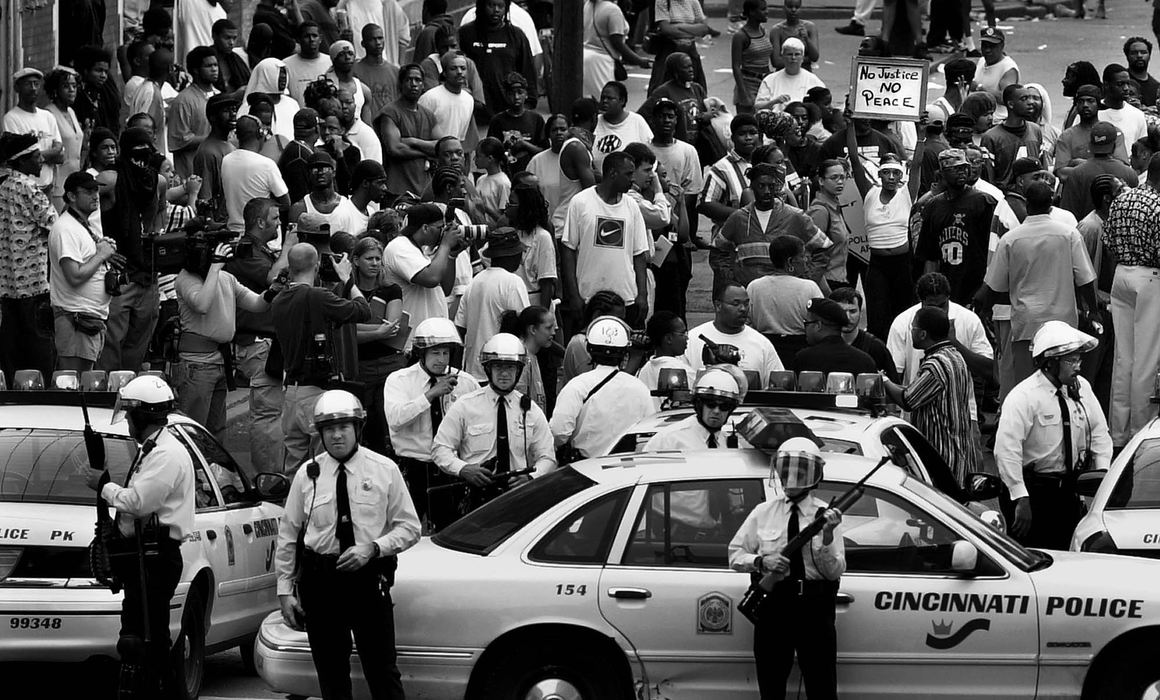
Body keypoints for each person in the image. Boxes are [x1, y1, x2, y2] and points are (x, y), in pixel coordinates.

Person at [274, 390, 420, 700]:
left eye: (344, 428)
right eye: (329, 429)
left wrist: (374, 548)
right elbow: (288, 534)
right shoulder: (308, 474)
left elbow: (410, 528)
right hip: (321, 582)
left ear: (358, 429)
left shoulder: (384, 470)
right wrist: (285, 591)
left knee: (382, 671)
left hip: (367, 580)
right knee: (331, 675)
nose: (337, 436)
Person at [83, 376, 194, 699]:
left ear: (142, 417)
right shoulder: (153, 448)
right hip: (143, 555)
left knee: (147, 639)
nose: (128, 421)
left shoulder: (166, 454)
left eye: (130, 415)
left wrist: (103, 485)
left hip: (157, 557)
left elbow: (139, 502)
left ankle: (159, 692)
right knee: (137, 636)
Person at [728, 437, 844, 700]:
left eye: (800, 472)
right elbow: (734, 554)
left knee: (822, 685)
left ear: (814, 475)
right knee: (771, 684)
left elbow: (834, 572)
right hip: (775, 606)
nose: (791, 478)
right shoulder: (763, 512)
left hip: (814, 608)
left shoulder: (826, 515)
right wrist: (761, 562)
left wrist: (827, 537)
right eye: (786, 471)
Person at [994, 321, 1112, 549]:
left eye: (1079, 359)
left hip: (1068, 491)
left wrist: (1102, 476)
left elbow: (1099, 434)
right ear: (1049, 363)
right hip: (1035, 491)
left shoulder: (1082, 388)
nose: (1078, 366)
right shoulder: (1024, 397)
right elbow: (1007, 450)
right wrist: (1021, 497)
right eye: (1071, 360)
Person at [975, 181, 1098, 394]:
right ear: (1051, 205)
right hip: (1063, 323)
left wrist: (984, 309)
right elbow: (1085, 279)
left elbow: (994, 287)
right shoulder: (1069, 234)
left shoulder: (1010, 239)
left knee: (1029, 387)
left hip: (1027, 325)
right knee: (1063, 385)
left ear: (1027, 204)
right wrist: (1093, 310)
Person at [271, 243, 372, 471]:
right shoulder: (316, 297)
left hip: (291, 393)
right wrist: (347, 279)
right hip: (316, 393)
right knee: (326, 466)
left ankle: (293, 504)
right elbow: (363, 311)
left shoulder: (278, 300)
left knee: (294, 467)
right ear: (316, 266)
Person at [382, 318, 480, 530]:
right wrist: (430, 395)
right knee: (407, 530)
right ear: (421, 353)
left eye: (445, 353)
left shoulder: (466, 382)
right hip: (413, 467)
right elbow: (396, 420)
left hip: (450, 468)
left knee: (450, 529)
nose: (442, 360)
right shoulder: (399, 380)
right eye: (435, 353)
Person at [433, 332, 556, 499]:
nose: (504, 374)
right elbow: (440, 448)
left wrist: (530, 477)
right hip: (476, 497)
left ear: (519, 370)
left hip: (518, 496)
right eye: (498, 367)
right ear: (488, 369)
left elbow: (548, 457)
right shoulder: (465, 406)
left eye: (510, 367)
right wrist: (463, 469)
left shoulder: (531, 410)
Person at [174, 234, 270, 443]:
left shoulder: (226, 278)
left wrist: (274, 290)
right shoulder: (186, 278)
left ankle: (214, 470)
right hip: (197, 365)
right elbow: (201, 304)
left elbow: (257, 304)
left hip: (220, 362)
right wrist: (215, 267)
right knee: (193, 431)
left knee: (216, 432)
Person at [225, 197, 292, 476]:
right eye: (275, 219)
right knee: (267, 414)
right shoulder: (246, 252)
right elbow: (271, 279)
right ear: (261, 222)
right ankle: (270, 480)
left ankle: (275, 474)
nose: (279, 223)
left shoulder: (259, 249)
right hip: (256, 344)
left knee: (276, 412)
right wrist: (289, 244)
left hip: (267, 343)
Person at [93, 128, 167, 373]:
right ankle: (106, 399)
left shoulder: (158, 181)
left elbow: (159, 218)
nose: (141, 158)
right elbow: (77, 211)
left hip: (148, 278)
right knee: (110, 347)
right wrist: (100, 247)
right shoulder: (109, 180)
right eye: (136, 151)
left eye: (147, 152)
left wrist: (154, 237)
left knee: (138, 346)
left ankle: (129, 393)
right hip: (120, 278)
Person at [883, 306, 979, 485]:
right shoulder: (954, 356)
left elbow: (907, 400)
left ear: (922, 334)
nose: (911, 332)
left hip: (943, 457)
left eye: (913, 329)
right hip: (956, 453)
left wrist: (883, 380)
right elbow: (914, 391)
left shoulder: (937, 364)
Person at [1103, 154, 1160, 448]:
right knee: (1146, 361)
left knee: (1124, 358)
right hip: (1150, 277)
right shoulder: (1159, 205)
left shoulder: (1123, 199)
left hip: (1122, 274)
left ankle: (1118, 434)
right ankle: (1141, 432)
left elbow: (1109, 241)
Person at [561, 151, 651, 327]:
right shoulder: (580, 202)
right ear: (612, 173)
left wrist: (642, 295)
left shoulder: (632, 206)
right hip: (589, 299)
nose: (632, 179)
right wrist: (574, 295)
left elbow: (639, 254)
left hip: (626, 300)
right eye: (628, 174)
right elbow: (568, 251)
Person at [715, 162, 829, 293]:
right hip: (750, 295)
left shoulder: (795, 216)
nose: (767, 191)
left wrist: (807, 279)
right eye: (761, 186)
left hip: (788, 294)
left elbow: (822, 249)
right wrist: (732, 280)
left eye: (771, 186)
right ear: (752, 187)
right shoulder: (738, 218)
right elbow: (718, 251)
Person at [552, 316, 654, 459]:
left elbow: (558, 433)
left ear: (589, 349)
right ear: (624, 352)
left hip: (585, 468)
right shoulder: (640, 388)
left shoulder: (577, 386)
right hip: (627, 469)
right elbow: (649, 432)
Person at [0, 133, 57, 381]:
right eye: (36, 157)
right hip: (34, 285)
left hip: (6, 287)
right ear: (22, 162)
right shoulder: (30, 189)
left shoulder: (1, 186)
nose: (41, 161)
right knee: (40, 349)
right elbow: (55, 226)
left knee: (10, 348)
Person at [48, 172, 118, 373]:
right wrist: (101, 255)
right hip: (75, 319)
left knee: (82, 384)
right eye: (88, 191)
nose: (95, 195)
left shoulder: (80, 225)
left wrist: (102, 250)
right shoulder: (65, 228)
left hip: (87, 319)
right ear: (71, 196)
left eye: (96, 190)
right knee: (73, 386)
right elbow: (74, 276)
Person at [915, 149, 998, 305]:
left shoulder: (984, 202)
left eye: (964, 168)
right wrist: (930, 290)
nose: (962, 172)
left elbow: (994, 250)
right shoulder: (933, 206)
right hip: (946, 286)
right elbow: (930, 255)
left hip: (976, 283)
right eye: (955, 169)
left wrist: (987, 287)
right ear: (942, 173)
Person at [381, 204, 465, 350]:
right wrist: (445, 245)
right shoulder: (399, 247)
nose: (442, 233)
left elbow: (444, 289)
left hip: (430, 338)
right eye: (440, 228)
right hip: (411, 343)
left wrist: (451, 255)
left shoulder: (420, 250)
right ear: (425, 228)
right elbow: (431, 279)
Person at [455, 228, 530, 379]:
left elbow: (459, 329)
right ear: (511, 255)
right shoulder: (512, 282)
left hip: (473, 371)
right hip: (502, 371)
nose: (521, 259)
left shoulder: (475, 281)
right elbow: (526, 325)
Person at [685, 283, 785, 385]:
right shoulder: (692, 339)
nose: (743, 309)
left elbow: (778, 385)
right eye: (736, 304)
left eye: (746, 304)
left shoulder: (762, 344)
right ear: (718, 306)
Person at [747, 235, 822, 368]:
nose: (806, 260)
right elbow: (821, 322)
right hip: (800, 351)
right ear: (790, 261)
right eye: (802, 256)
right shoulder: (809, 287)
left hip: (763, 349)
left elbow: (747, 321)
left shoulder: (754, 286)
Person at [459, 0, 538, 121]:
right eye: (491, 5)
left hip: (507, 112)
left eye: (500, 6)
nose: (496, 10)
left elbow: (528, 71)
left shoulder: (516, 35)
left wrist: (528, 104)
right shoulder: (466, 33)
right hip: (474, 113)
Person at [377, 63, 437, 201]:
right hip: (397, 189)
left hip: (424, 189)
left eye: (418, 80)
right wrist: (426, 153)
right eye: (409, 80)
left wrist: (412, 141)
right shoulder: (390, 112)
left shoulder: (428, 115)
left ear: (423, 85)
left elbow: (441, 146)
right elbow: (395, 149)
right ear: (401, 84)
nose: (413, 84)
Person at [222, 115, 291, 233]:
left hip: (234, 232)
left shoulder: (226, 161)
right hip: (263, 236)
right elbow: (285, 203)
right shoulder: (266, 165)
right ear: (260, 134)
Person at [1058, 122, 1139, 219]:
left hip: (1084, 232)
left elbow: (1068, 214)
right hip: (1121, 232)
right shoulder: (1129, 174)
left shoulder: (1076, 174)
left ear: (1091, 146)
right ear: (1114, 147)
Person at [4, 67, 65, 193]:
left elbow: (60, 155)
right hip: (24, 188)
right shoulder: (11, 118)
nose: (33, 88)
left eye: (36, 84)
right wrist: (51, 154)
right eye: (28, 84)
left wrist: (38, 155)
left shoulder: (47, 116)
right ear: (17, 88)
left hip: (48, 186)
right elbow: (19, 158)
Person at [167, 47, 219, 180]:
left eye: (215, 65)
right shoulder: (184, 101)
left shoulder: (218, 96)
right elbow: (179, 139)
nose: (214, 69)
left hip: (216, 171)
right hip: (191, 175)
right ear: (196, 70)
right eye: (209, 66)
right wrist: (214, 138)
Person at [583, 0, 652, 101]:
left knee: (593, 102)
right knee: (609, 103)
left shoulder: (588, 5)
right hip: (602, 61)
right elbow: (617, 42)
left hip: (585, 56)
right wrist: (639, 60)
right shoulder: (612, 10)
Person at [1054, 85, 1130, 176]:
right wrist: (1104, 166)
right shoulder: (1066, 136)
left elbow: (1121, 168)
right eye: (1081, 101)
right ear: (1076, 106)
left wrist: (1080, 164)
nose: (1085, 105)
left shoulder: (1113, 133)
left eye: (1090, 101)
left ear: (1098, 104)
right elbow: (1062, 173)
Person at [505, 181, 558, 307]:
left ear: (524, 208)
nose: (506, 206)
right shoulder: (510, 233)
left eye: (512, 203)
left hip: (532, 303)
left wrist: (541, 317)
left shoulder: (542, 237)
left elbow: (546, 282)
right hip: (510, 301)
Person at [793, 297, 877, 376]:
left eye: (806, 323)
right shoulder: (865, 360)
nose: (805, 329)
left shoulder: (804, 359)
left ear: (818, 325)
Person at [831, 287, 899, 381]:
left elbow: (894, 386)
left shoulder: (876, 347)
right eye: (841, 311)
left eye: (852, 311)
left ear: (861, 313)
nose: (847, 317)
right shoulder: (822, 346)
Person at [289, 150, 365, 235]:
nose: (320, 173)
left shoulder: (347, 206)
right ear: (308, 174)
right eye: (315, 170)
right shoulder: (299, 208)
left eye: (324, 169)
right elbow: (291, 242)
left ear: (333, 172)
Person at [500, 305, 556, 411]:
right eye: (548, 328)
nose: (553, 332)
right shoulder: (520, 360)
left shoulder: (532, 356)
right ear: (533, 329)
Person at [44, 67, 84, 212]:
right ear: (55, 90)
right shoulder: (49, 114)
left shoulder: (71, 112)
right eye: (66, 86)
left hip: (74, 185)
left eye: (74, 86)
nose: (72, 90)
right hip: (58, 186)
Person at [592, 82, 654, 173]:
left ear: (622, 101)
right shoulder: (594, 122)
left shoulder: (637, 121)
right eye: (603, 98)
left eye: (610, 98)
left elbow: (651, 153)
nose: (605, 101)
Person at [418, 52, 476, 145]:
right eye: (454, 68)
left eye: (463, 68)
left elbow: (460, 138)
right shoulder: (429, 98)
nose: (459, 72)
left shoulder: (469, 100)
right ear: (444, 73)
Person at [755, 38, 825, 111]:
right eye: (789, 54)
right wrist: (775, 102)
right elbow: (758, 106)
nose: (793, 58)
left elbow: (824, 105)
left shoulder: (814, 81)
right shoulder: (770, 80)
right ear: (783, 56)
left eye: (797, 54)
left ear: (802, 58)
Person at [241, 57, 300, 142]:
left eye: (284, 72)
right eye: (279, 72)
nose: (283, 77)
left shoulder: (292, 104)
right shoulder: (249, 107)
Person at [731, 0, 773, 113]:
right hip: (748, 84)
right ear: (752, 12)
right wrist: (743, 94)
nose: (767, 12)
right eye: (763, 9)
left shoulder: (764, 31)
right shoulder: (740, 36)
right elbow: (736, 67)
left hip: (765, 83)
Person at [354, 24, 400, 120]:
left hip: (391, 125)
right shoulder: (355, 71)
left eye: (380, 38)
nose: (378, 42)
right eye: (372, 39)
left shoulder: (395, 71)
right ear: (363, 43)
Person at [283, 22, 334, 107]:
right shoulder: (286, 65)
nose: (311, 39)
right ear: (298, 40)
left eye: (315, 36)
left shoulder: (330, 62)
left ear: (320, 39)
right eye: (306, 36)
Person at [73, 45, 121, 136]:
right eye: (98, 70)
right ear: (86, 71)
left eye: (106, 72)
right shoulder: (76, 96)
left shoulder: (107, 95)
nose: (103, 76)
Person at [973, 27, 1019, 120]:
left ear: (1002, 46)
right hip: (979, 119)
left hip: (998, 121)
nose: (987, 50)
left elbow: (1006, 98)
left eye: (992, 46)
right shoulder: (982, 61)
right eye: (984, 46)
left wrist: (980, 88)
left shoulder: (1008, 68)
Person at [1101, 63, 1149, 149]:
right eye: (1120, 84)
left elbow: (1142, 150)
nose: (1126, 88)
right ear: (1106, 85)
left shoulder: (1137, 115)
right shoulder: (1092, 112)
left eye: (1128, 83)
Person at [211, 19, 252, 95]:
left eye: (234, 38)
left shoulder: (236, 60)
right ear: (214, 36)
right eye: (227, 38)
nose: (231, 43)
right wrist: (234, 96)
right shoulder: (206, 58)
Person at [1125, 37, 1160, 107]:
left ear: (1149, 55)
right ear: (1127, 56)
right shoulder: (1120, 82)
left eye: (1143, 52)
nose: (1139, 56)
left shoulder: (1156, 87)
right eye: (1134, 53)